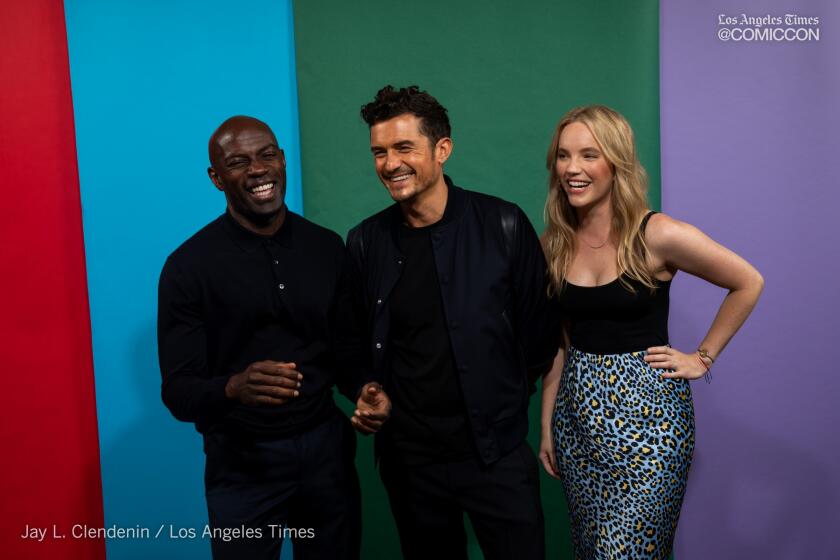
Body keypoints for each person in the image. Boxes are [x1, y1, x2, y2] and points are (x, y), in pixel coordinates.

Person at [157, 115, 389, 560]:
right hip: (241, 464)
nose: (258, 169)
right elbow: (178, 391)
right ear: (216, 178)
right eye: (239, 162)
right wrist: (233, 387)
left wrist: (365, 387)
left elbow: (345, 351)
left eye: (267, 155)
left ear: (282, 161)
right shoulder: (187, 268)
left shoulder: (326, 248)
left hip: (326, 458)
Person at [538, 105, 764, 558]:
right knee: (590, 549)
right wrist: (547, 424)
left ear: (615, 163)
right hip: (577, 423)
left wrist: (702, 358)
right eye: (563, 156)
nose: (573, 169)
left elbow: (747, 282)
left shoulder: (658, 234)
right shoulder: (554, 244)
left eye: (588, 155)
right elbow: (559, 343)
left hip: (651, 428)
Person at [346, 85, 561, 560]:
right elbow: (350, 340)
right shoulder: (364, 243)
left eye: (404, 147)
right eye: (379, 152)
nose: (390, 163)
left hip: (497, 454)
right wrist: (364, 386)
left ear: (442, 149)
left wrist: (500, 397)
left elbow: (540, 332)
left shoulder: (504, 224)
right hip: (410, 464)